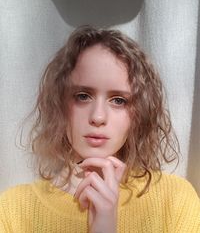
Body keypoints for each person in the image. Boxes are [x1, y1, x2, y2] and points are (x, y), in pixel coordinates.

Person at [0, 26, 199, 233]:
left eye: (119, 100)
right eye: (83, 96)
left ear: (140, 112)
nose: (98, 117)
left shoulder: (175, 201)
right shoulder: (13, 210)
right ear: (59, 103)